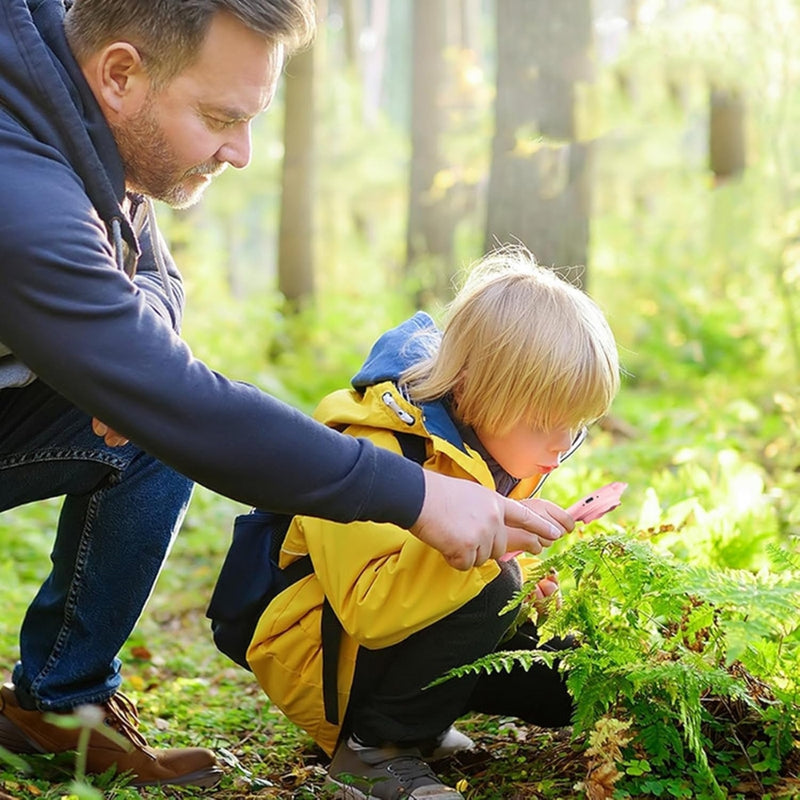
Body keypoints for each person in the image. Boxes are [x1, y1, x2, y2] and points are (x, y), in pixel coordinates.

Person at [0, 0, 571, 790]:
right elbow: (188, 405)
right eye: (218, 116)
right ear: (121, 73)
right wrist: (416, 497)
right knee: (173, 415)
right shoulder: (18, 186)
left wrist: (125, 354)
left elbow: (155, 273)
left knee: (153, 431)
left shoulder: (67, 105)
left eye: (252, 118)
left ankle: (60, 708)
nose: (240, 151)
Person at [245, 248, 621, 800]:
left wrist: (533, 583)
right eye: (544, 421)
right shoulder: (371, 447)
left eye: (577, 425)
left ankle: (423, 716)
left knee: (572, 678)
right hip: (325, 662)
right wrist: (498, 556)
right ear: (474, 390)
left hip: (399, 638)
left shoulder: (489, 444)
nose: (561, 445)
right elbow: (368, 608)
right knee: (495, 586)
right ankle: (374, 750)